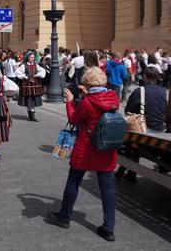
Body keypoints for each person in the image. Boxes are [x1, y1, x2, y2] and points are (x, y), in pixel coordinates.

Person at [46, 67, 118, 242]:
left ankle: (64, 216)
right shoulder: (112, 98)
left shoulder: (87, 102)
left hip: (86, 148)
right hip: (106, 149)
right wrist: (87, 94)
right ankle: (109, 228)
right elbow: (98, 103)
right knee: (107, 189)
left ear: (87, 84)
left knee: (73, 181)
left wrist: (70, 101)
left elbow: (74, 119)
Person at [15, 51, 46, 121]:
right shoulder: (24, 65)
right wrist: (25, 76)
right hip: (27, 85)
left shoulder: (36, 65)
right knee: (28, 99)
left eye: (33, 57)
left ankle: (32, 115)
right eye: (31, 57)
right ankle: (31, 115)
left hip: (34, 85)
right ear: (28, 58)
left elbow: (42, 71)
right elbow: (17, 71)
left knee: (34, 100)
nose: (33, 58)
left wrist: (37, 75)